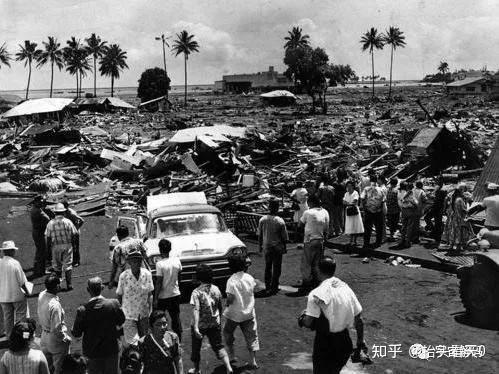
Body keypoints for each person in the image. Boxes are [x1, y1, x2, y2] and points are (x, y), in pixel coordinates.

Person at [298, 257, 366, 374]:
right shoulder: (345, 287)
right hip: (344, 343)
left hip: (325, 345)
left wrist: (302, 318)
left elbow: (308, 322)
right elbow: (359, 318)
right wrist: (360, 341)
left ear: (318, 270)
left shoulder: (316, 293)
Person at [72, 277, 126, 374]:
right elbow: (121, 321)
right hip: (112, 351)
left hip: (92, 354)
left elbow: (76, 334)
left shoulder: (82, 310)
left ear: (88, 290)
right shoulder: (114, 304)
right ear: (102, 288)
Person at [189, 264, 233, 374]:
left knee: (196, 348)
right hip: (214, 322)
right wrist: (219, 319)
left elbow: (196, 309)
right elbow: (219, 306)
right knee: (219, 346)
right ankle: (228, 367)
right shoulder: (216, 289)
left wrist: (195, 327)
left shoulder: (196, 292)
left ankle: (197, 369)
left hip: (201, 325)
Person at [223, 255, 260, 369]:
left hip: (234, 314)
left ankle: (232, 355)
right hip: (249, 313)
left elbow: (230, 298)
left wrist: (226, 304)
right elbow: (255, 288)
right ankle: (253, 361)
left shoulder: (231, 280)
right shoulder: (249, 277)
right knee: (252, 336)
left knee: (228, 333)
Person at [116, 250, 154, 347]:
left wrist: (151, 310)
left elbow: (150, 294)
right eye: (133, 261)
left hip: (144, 314)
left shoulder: (147, 274)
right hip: (128, 315)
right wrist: (119, 313)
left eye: (138, 261)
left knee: (145, 341)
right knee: (133, 343)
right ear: (129, 262)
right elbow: (119, 295)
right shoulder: (123, 276)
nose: (136, 263)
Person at [37, 274, 71, 374]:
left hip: (44, 337)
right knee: (59, 368)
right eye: (58, 284)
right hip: (55, 340)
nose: (60, 286)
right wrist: (64, 338)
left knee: (46, 368)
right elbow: (56, 328)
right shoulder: (55, 305)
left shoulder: (41, 295)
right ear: (56, 286)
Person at [257, 199, 289, 295]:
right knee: (277, 267)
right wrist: (284, 247)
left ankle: (267, 286)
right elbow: (285, 237)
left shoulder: (262, 219)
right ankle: (274, 286)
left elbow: (260, 235)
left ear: (269, 207)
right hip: (277, 247)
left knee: (268, 267)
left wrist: (260, 246)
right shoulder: (280, 221)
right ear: (277, 208)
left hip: (267, 246)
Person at [153, 239, 182, 341]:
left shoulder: (159, 264)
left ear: (160, 250)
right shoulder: (177, 260)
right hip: (175, 294)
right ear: (170, 249)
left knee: (159, 318)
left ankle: (161, 339)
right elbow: (179, 277)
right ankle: (179, 340)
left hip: (163, 296)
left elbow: (159, 282)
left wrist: (155, 298)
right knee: (176, 318)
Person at [0, 241, 30, 339]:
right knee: (21, 318)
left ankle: (10, 338)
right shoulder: (15, 263)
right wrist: (28, 292)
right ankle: (23, 337)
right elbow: (22, 282)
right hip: (17, 295)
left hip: (3, 296)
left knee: (7, 318)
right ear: (12, 251)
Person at [44, 203, 78, 290]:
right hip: (67, 245)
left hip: (55, 246)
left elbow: (48, 237)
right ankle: (69, 284)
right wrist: (74, 246)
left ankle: (58, 285)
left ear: (55, 213)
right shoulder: (68, 222)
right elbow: (75, 234)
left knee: (57, 266)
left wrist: (48, 250)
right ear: (63, 212)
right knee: (68, 265)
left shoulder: (50, 223)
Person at [299, 194, 330, 289]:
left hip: (310, 240)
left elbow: (300, 225)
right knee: (317, 262)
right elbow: (326, 227)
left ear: (311, 202)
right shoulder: (325, 212)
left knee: (307, 263)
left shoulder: (308, 212)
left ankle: (306, 282)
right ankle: (316, 281)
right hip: (320, 239)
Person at [361, 175, 385, 251]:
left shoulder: (366, 189)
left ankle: (366, 243)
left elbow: (362, 198)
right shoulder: (381, 189)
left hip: (368, 211)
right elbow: (383, 200)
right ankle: (378, 242)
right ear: (377, 180)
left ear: (370, 181)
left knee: (367, 228)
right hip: (378, 211)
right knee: (379, 228)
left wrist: (365, 207)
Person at [391, 183, 418, 249]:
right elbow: (415, 202)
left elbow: (399, 203)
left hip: (403, 211)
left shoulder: (399, 193)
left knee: (403, 226)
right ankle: (407, 242)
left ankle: (402, 240)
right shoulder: (409, 193)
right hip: (410, 211)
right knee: (409, 227)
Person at [31, 195, 51, 277]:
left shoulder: (35, 209)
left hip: (36, 232)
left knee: (39, 251)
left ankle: (37, 268)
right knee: (42, 251)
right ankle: (41, 270)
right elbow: (47, 219)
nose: (42, 202)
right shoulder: (38, 211)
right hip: (39, 233)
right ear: (36, 202)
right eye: (41, 201)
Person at [424, 178, 447, 244]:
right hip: (439, 208)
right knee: (437, 222)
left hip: (436, 208)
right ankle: (435, 233)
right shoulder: (442, 190)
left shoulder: (440, 190)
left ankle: (434, 233)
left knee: (428, 218)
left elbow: (437, 200)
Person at [62, 201, 84, 267]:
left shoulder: (71, 213)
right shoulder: (65, 213)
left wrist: (76, 229)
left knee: (75, 247)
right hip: (68, 232)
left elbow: (82, 220)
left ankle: (77, 261)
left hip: (74, 233)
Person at [343, 181, 364, 247]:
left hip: (354, 210)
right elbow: (343, 201)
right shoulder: (346, 193)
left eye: (350, 186)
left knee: (355, 225)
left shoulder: (355, 193)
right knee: (350, 225)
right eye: (347, 186)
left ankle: (354, 241)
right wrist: (349, 204)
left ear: (352, 186)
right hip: (349, 210)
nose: (348, 187)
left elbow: (354, 201)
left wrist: (348, 204)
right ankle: (351, 240)